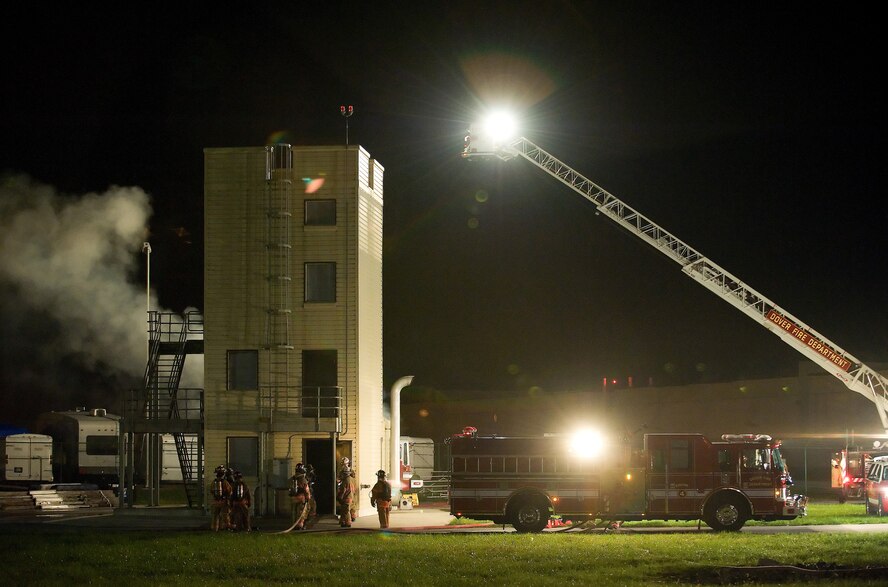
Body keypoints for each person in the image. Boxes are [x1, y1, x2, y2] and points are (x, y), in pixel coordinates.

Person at [210, 464, 232, 531]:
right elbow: (230, 491)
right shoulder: (225, 482)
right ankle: (225, 527)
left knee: (215, 515)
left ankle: (215, 528)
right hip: (223, 501)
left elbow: (211, 491)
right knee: (225, 515)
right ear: (223, 474)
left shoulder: (213, 482)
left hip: (216, 501)